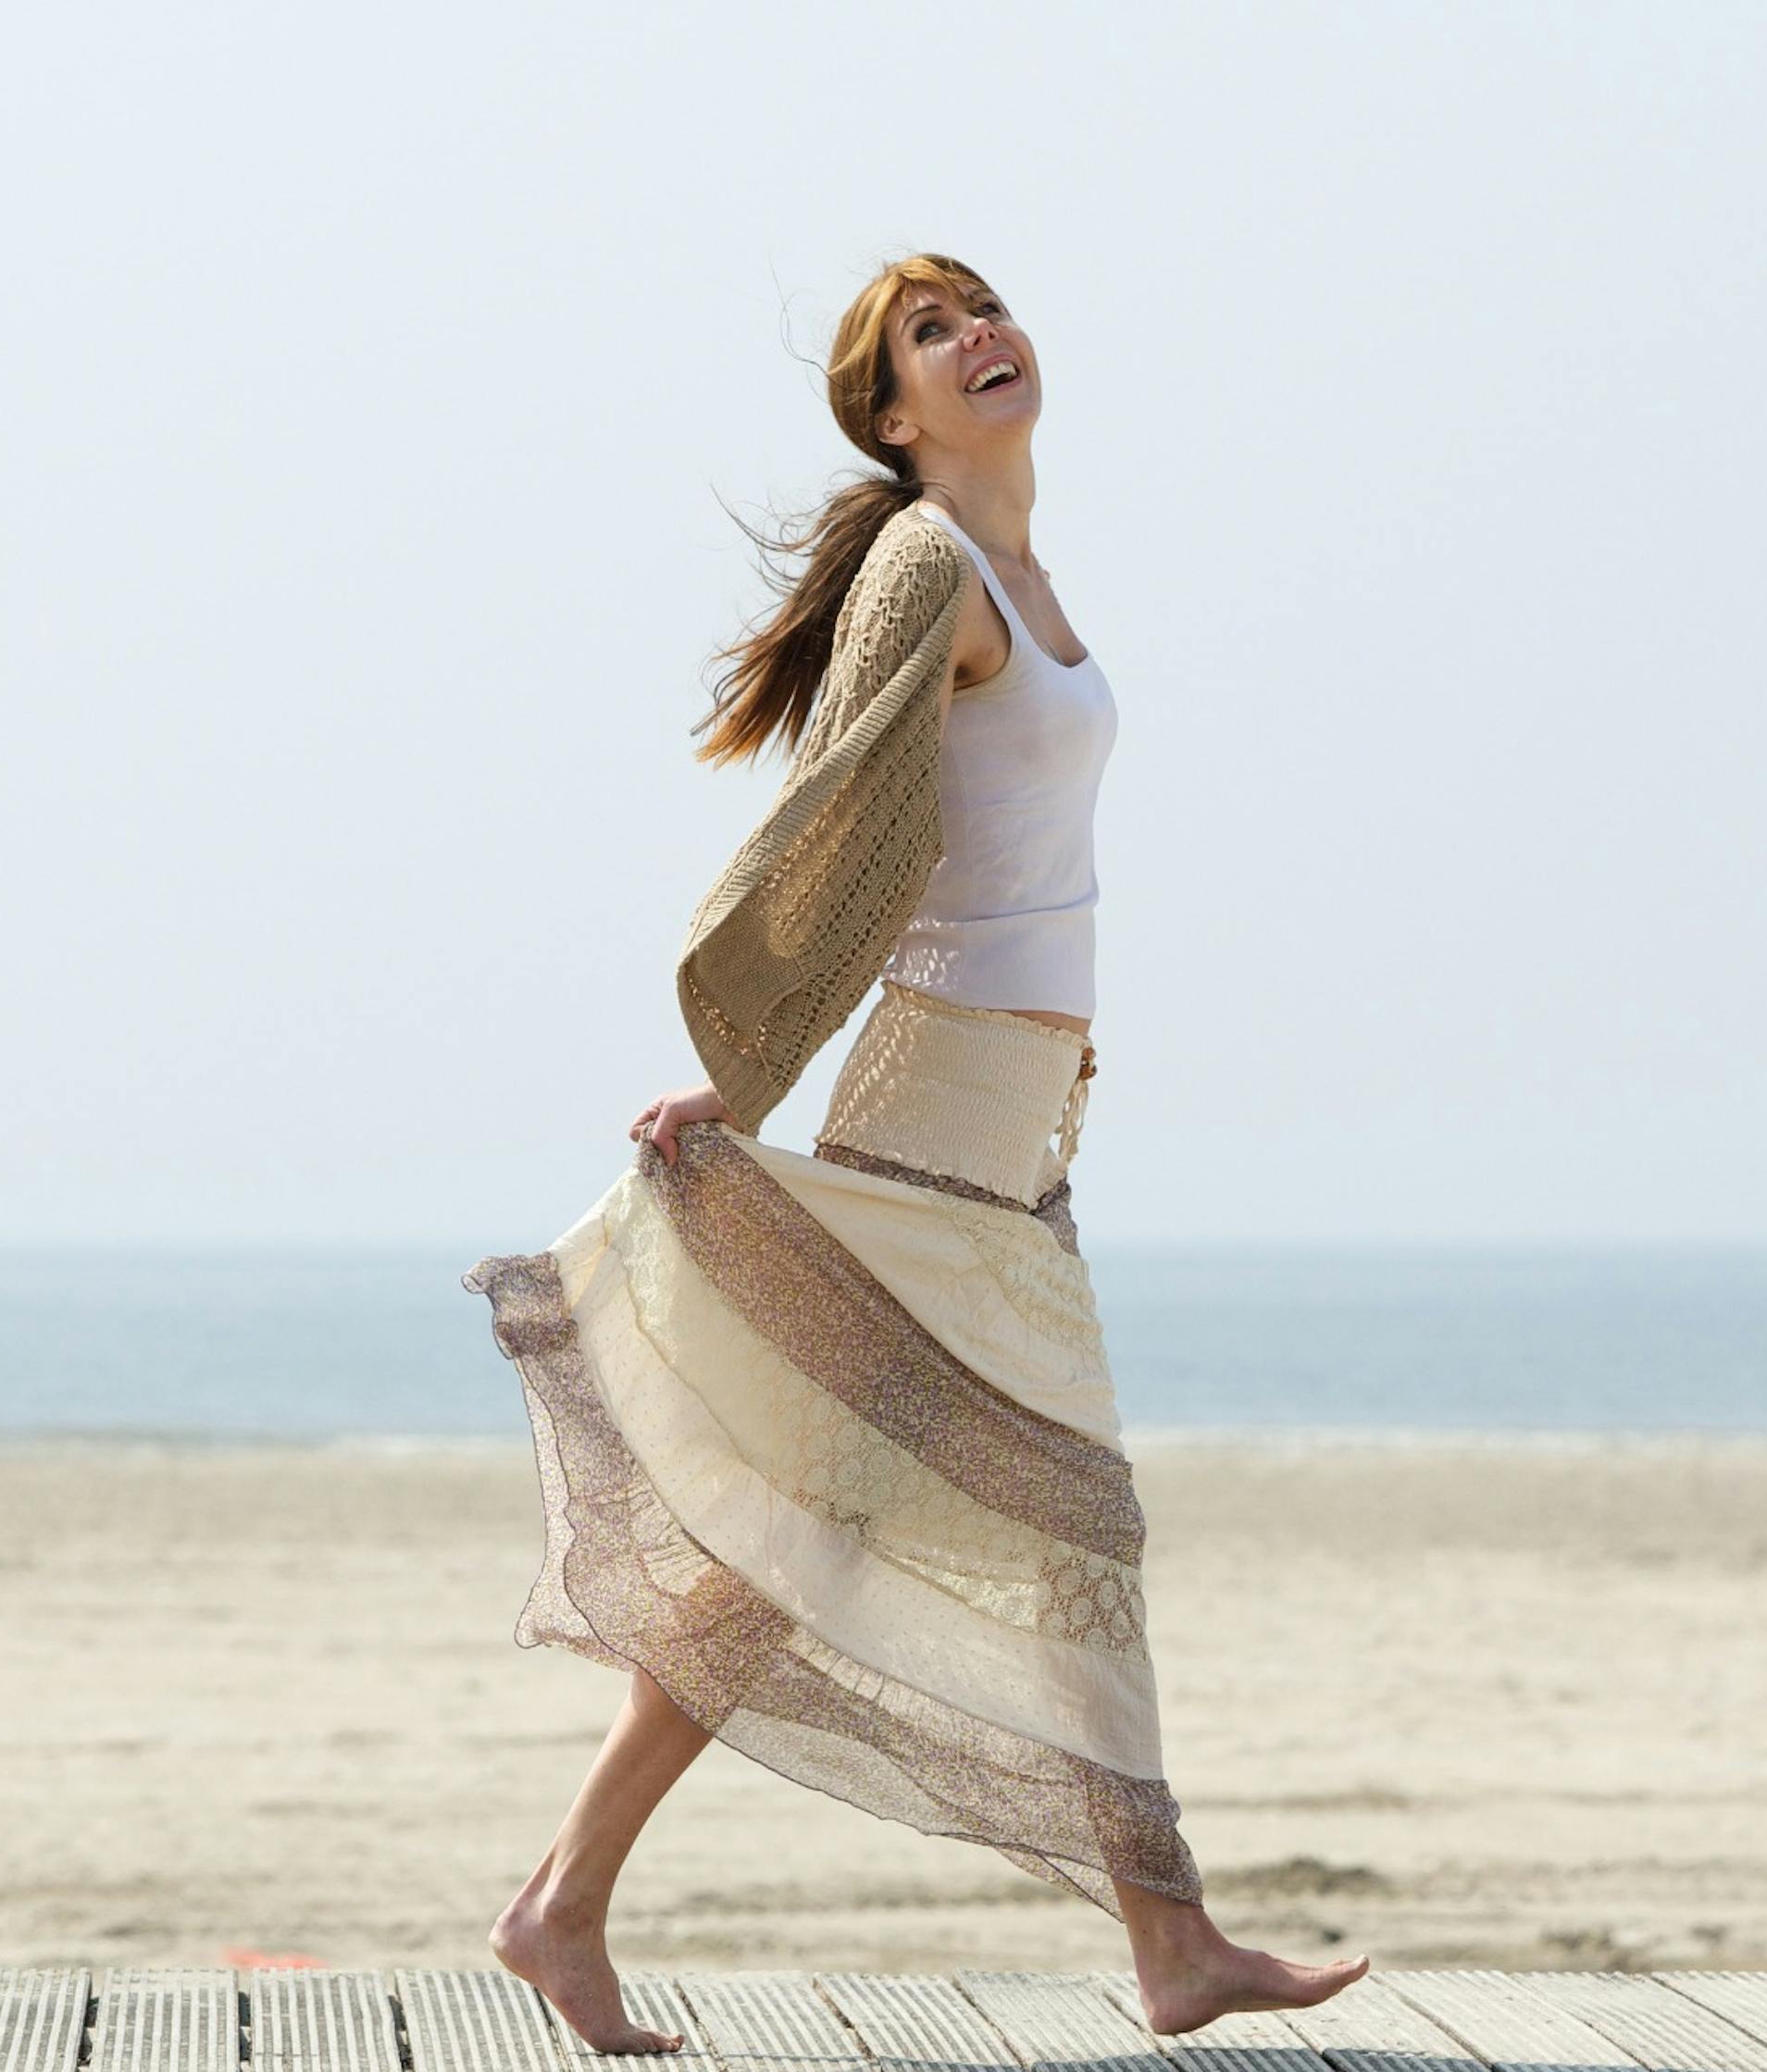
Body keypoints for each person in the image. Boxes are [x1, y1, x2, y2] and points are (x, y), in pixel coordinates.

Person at [459, 253, 1371, 2051]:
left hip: (1015, 1120)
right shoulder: (928, 565)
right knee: (1013, 1529)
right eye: (930, 335)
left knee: (877, 1533)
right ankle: (1158, 1943)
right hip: (937, 1098)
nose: (979, 337)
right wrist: (750, 1071)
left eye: (984, 308)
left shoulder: (1023, 575)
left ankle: (572, 1904)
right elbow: (852, 818)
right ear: (893, 416)